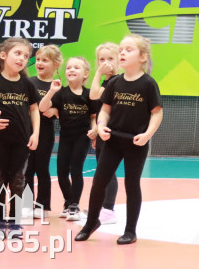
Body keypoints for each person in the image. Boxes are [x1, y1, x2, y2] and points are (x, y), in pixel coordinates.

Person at [75, 35, 163, 245]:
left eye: (128, 50)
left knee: (132, 184)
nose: (122, 52)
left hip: (135, 142)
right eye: (121, 49)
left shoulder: (148, 84)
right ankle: (91, 223)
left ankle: (130, 230)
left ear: (142, 57)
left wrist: (147, 134)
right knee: (99, 182)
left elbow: (157, 113)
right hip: (113, 141)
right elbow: (105, 109)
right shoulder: (115, 82)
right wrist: (102, 126)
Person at [0, 38, 40, 240]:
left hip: (21, 141)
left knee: (18, 180)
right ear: (3, 55)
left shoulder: (27, 84)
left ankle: (15, 222)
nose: (22, 58)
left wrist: (35, 133)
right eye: (18, 53)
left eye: (26, 56)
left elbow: (34, 109)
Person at [39, 56, 96, 222]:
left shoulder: (88, 95)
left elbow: (94, 115)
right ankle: (68, 202)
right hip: (65, 137)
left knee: (76, 170)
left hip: (82, 137)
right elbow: (43, 108)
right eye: (69, 67)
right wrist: (51, 91)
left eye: (76, 68)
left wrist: (95, 128)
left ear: (85, 74)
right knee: (61, 172)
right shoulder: (61, 93)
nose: (71, 70)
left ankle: (74, 205)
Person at [26, 44, 62, 218]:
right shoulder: (30, 82)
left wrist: (55, 111)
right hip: (27, 131)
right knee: (26, 169)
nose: (39, 63)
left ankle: (43, 206)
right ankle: (26, 204)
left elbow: (61, 109)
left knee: (42, 168)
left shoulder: (58, 87)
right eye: (38, 59)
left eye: (45, 60)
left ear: (56, 64)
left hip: (46, 133)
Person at [87, 41, 120, 224]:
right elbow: (99, 108)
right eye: (101, 59)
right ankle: (102, 207)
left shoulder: (116, 81)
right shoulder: (107, 81)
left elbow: (93, 94)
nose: (105, 62)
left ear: (118, 60)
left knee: (108, 171)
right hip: (102, 130)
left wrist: (98, 73)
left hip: (111, 131)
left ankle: (108, 209)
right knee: (101, 169)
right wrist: (95, 129)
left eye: (110, 58)